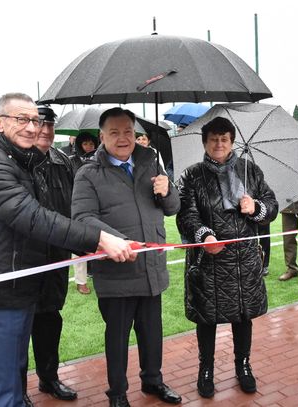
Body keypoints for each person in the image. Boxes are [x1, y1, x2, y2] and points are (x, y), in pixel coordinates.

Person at [0, 93, 134, 407]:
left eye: (35, 120)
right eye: (21, 119)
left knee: (12, 383)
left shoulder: (19, 157)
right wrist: (98, 239)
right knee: (4, 389)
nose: (32, 127)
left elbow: (57, 213)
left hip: (22, 283)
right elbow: (33, 217)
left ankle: (42, 382)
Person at [71, 107, 182, 407]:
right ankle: (117, 393)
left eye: (128, 132)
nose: (123, 138)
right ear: (102, 136)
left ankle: (153, 381)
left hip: (151, 267)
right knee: (118, 338)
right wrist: (118, 241)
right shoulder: (88, 174)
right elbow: (83, 218)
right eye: (115, 132)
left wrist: (167, 190)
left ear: (136, 134)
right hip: (116, 271)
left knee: (152, 333)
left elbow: (172, 208)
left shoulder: (151, 162)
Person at [176, 117, 278, 398]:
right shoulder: (192, 176)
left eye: (224, 138)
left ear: (232, 142)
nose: (219, 144)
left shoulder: (250, 170)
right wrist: (205, 236)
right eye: (213, 139)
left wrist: (255, 206)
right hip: (208, 260)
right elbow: (186, 214)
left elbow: (272, 206)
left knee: (243, 316)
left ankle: (243, 365)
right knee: (207, 317)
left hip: (244, 259)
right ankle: (205, 369)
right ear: (205, 143)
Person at [19, 105, 78, 404]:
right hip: (25, 259)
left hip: (56, 257)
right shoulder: (16, 162)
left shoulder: (62, 162)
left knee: (50, 319)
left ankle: (49, 378)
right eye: (39, 124)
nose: (44, 130)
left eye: (49, 125)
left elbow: (72, 207)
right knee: (20, 324)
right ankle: (19, 390)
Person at [72, 131, 99, 295]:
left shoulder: (100, 160)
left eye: (91, 143)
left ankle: (97, 274)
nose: (89, 146)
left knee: (99, 242)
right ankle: (81, 281)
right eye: (85, 143)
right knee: (78, 245)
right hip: (76, 208)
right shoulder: (71, 161)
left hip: (97, 208)